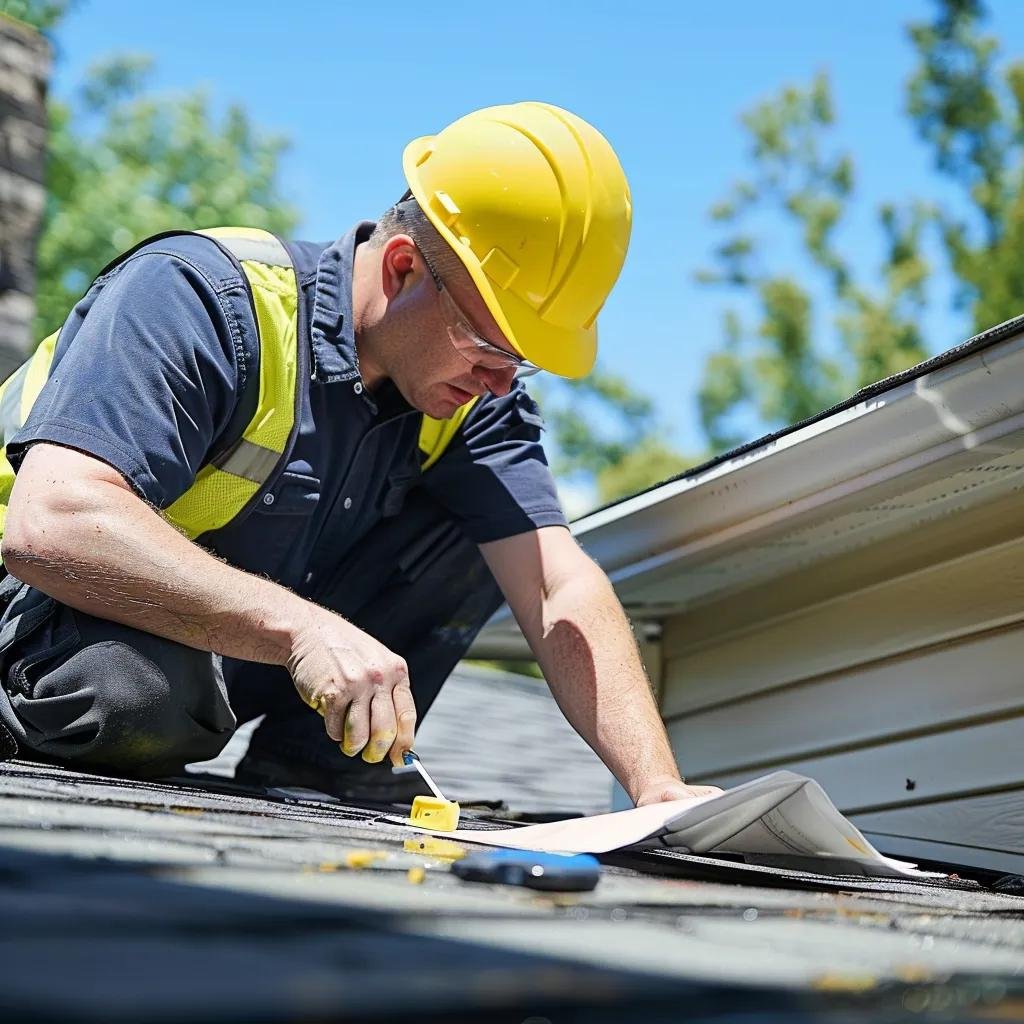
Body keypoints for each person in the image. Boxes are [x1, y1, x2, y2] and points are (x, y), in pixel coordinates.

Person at [0, 101, 720, 807]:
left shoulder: (471, 405)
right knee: (128, 696)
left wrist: (655, 787)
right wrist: (302, 629)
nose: (502, 382)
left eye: (521, 361)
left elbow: (557, 586)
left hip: (205, 659)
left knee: (498, 520)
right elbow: (54, 522)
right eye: (488, 345)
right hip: (35, 615)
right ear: (403, 267)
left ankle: (321, 768)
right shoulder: (200, 297)